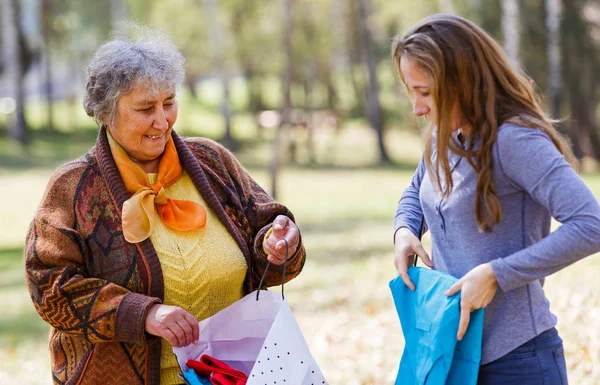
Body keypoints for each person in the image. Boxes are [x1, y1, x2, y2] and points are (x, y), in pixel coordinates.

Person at [24, 29, 306, 385]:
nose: (163, 121)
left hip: (231, 374)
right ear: (106, 113)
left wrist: (279, 245)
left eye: (169, 102)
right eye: (145, 108)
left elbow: (266, 233)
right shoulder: (73, 187)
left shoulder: (212, 162)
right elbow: (48, 286)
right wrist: (141, 314)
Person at [391, 14, 600, 384]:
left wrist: (496, 275)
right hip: (451, 353)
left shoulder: (515, 140)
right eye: (412, 92)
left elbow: (590, 225)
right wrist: (405, 229)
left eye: (425, 92)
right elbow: (416, 189)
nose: (417, 108)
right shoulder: (446, 135)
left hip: (519, 361)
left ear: (462, 81)